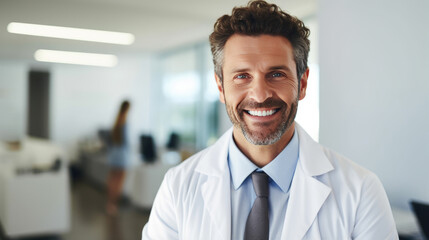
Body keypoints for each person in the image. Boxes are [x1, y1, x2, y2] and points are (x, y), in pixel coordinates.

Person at [142, 1, 398, 239]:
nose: (260, 95)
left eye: (276, 74)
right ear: (221, 88)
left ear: (303, 83)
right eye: (242, 76)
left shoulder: (361, 191)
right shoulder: (178, 187)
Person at [106, 100, 130, 215]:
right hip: (121, 155)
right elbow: (126, 142)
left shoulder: (116, 121)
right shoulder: (124, 122)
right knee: (119, 181)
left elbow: (110, 140)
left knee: (112, 179)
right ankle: (114, 204)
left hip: (113, 153)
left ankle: (110, 203)